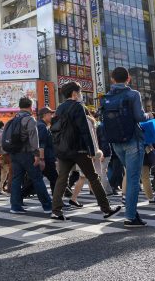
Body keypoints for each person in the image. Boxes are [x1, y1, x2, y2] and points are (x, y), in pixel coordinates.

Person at [51, 82, 121, 221]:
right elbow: (84, 129)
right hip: (79, 149)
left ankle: (56, 211)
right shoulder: (78, 106)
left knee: (62, 178)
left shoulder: (59, 108)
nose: (80, 94)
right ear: (74, 93)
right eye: (80, 91)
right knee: (93, 177)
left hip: (63, 149)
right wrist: (91, 150)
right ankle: (106, 209)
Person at [102, 67, 153, 227]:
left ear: (112, 79)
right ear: (128, 79)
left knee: (129, 175)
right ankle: (130, 217)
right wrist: (149, 115)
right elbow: (139, 116)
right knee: (132, 179)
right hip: (133, 140)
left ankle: (133, 213)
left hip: (116, 142)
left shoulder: (107, 96)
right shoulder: (133, 94)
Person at [8, 98, 52, 214]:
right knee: (37, 178)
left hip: (14, 153)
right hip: (27, 154)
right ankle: (47, 206)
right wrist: (37, 156)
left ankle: (15, 206)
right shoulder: (29, 120)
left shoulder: (13, 119)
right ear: (31, 106)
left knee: (16, 179)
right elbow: (34, 139)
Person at [0, 121, 11, 196]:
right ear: (2, 126)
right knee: (9, 172)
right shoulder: (3, 133)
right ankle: (10, 189)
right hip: (4, 155)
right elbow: (5, 145)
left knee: (4, 172)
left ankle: (0, 188)